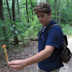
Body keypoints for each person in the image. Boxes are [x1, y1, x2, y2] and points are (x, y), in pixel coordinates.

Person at [8, 2, 64, 72]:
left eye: (42, 16)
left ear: (49, 14)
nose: (40, 19)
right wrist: (38, 60)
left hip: (50, 67)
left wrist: (25, 63)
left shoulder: (54, 29)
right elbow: (41, 46)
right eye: (38, 16)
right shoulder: (44, 27)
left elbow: (48, 51)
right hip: (41, 64)